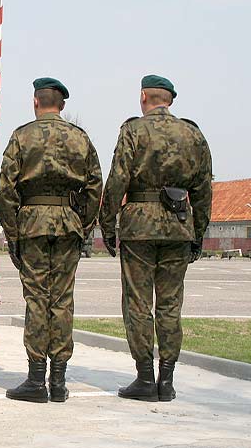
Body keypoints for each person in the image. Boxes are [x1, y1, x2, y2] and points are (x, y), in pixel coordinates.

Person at [99, 75, 213, 402]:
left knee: (137, 302)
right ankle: (168, 380)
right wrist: (197, 232)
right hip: (179, 226)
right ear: (170, 100)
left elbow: (117, 181)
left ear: (143, 97)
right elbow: (203, 189)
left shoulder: (133, 132)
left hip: (139, 227)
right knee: (170, 304)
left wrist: (108, 226)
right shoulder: (192, 134)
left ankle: (145, 378)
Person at [0, 78, 103, 403]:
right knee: (62, 301)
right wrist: (81, 226)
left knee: (37, 299)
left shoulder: (22, 137)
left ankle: (35, 378)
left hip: (32, 226)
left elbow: (6, 190)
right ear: (62, 105)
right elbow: (95, 186)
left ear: (35, 102)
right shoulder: (79, 138)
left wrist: (14, 234)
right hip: (67, 225)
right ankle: (58, 381)